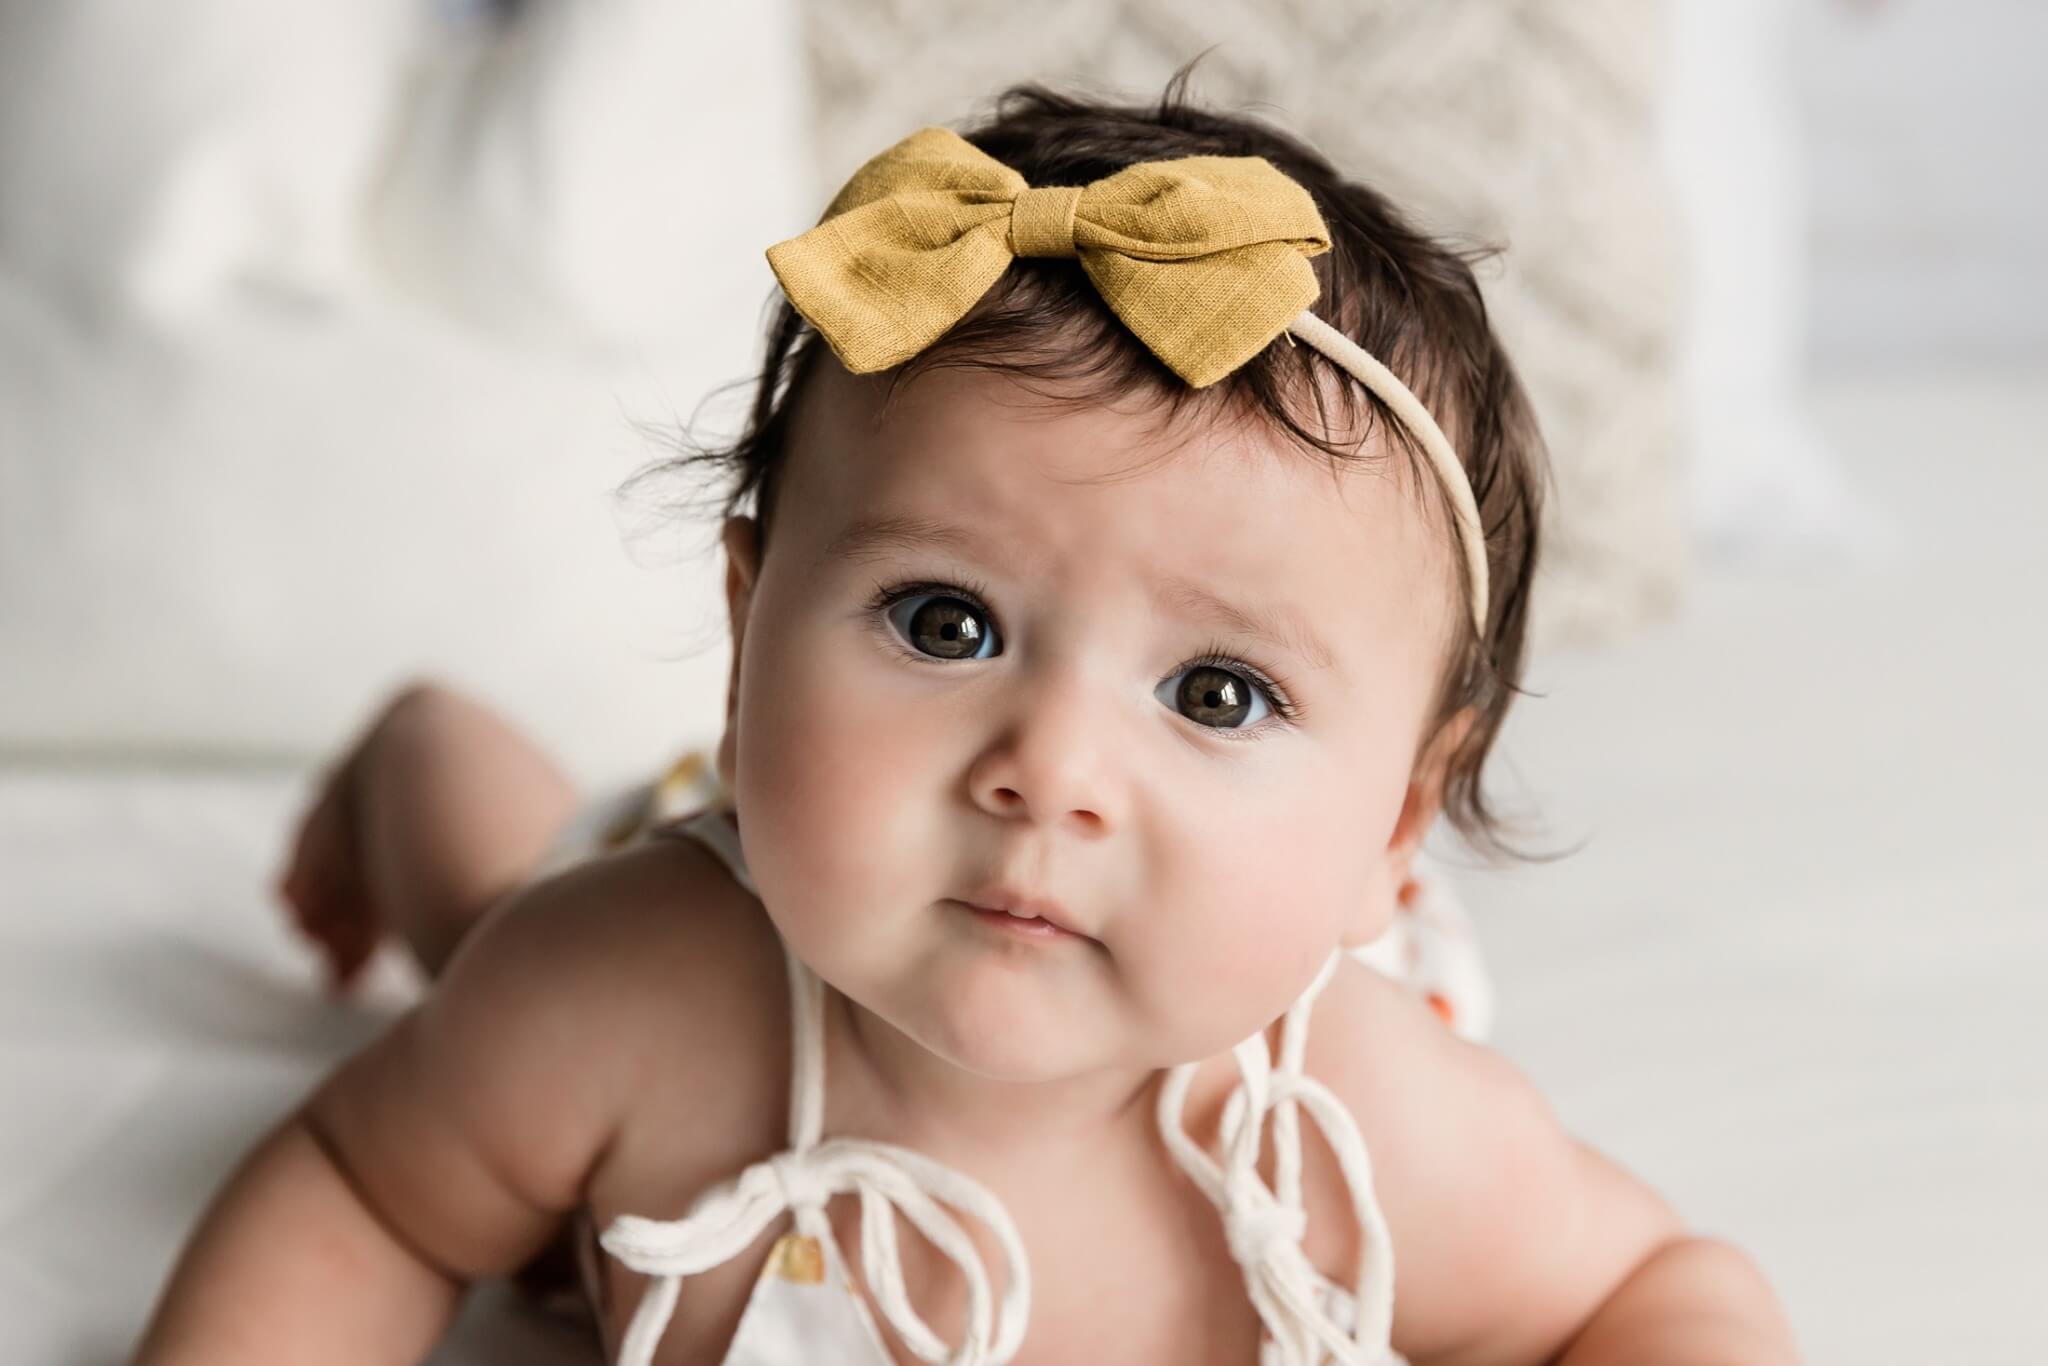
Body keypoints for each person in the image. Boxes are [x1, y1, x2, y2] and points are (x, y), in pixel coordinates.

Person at [133, 75, 1800, 1366]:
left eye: (1217, 692)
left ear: (1390, 827)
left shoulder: (1365, 1138)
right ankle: (412, 749)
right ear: (744, 627)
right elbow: (361, 1189)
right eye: (948, 622)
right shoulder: (610, 997)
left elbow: (1661, 1286)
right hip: (665, 896)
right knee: (493, 895)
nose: (1050, 773)